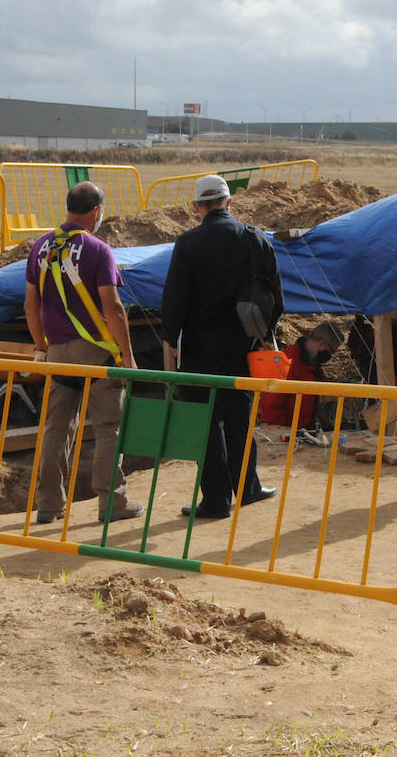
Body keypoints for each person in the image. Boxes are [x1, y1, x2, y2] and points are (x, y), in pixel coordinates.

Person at [161, 174, 281, 519]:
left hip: (199, 344)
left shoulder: (188, 244)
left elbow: (174, 299)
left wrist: (170, 340)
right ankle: (248, 488)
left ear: (197, 207)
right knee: (240, 414)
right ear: (229, 203)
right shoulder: (255, 238)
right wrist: (266, 333)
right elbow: (275, 294)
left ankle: (216, 500)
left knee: (207, 421)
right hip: (243, 342)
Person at [23, 181, 143, 524]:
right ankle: (112, 503)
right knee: (108, 427)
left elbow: (30, 305)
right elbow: (114, 308)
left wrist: (41, 348)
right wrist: (127, 354)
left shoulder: (41, 247)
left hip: (58, 352)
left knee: (57, 427)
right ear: (95, 211)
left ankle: (48, 504)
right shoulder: (98, 249)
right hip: (98, 353)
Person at [259, 322, 344, 429]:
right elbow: (270, 403)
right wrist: (281, 433)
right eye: (331, 351)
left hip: (301, 431)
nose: (330, 356)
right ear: (321, 344)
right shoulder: (287, 361)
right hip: (284, 432)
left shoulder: (312, 364)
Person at [346, 313, 397, 387]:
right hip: (370, 386)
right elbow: (354, 353)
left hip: (395, 386)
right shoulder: (358, 328)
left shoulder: (391, 330)